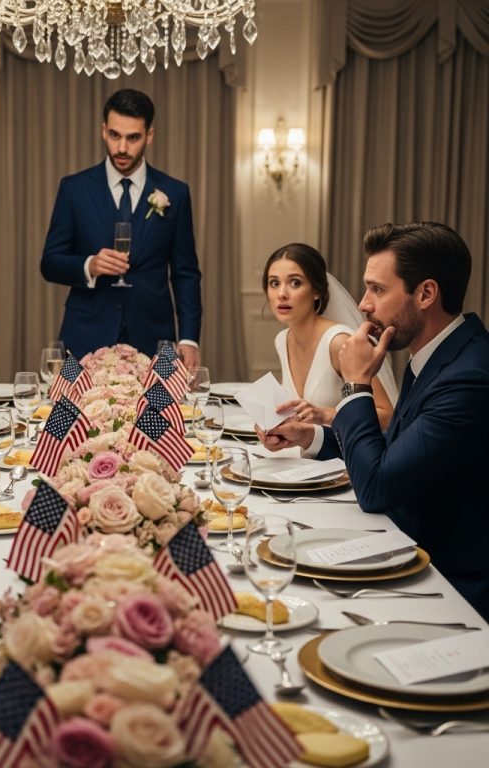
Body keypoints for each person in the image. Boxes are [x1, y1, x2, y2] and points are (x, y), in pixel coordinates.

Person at [258, 222, 489, 620]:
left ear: (426, 294)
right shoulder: (434, 353)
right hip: (403, 543)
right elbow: (395, 448)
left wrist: (356, 383)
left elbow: (377, 487)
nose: (363, 304)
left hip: (448, 582)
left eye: (378, 290)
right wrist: (311, 437)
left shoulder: (468, 375)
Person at [41, 88, 202, 367]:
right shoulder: (74, 189)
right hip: (85, 335)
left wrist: (188, 338)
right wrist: (89, 265)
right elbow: (50, 263)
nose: (122, 148)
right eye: (115, 135)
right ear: (104, 130)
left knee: (160, 412)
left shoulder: (175, 193)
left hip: (154, 337)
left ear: (149, 135)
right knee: (75, 412)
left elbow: (185, 273)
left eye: (133, 137)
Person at [262, 243, 396, 428]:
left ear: (316, 291)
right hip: (306, 452)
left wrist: (326, 414)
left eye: (295, 283)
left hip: (345, 453)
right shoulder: (282, 340)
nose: (282, 294)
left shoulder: (339, 341)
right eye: (274, 283)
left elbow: (388, 416)